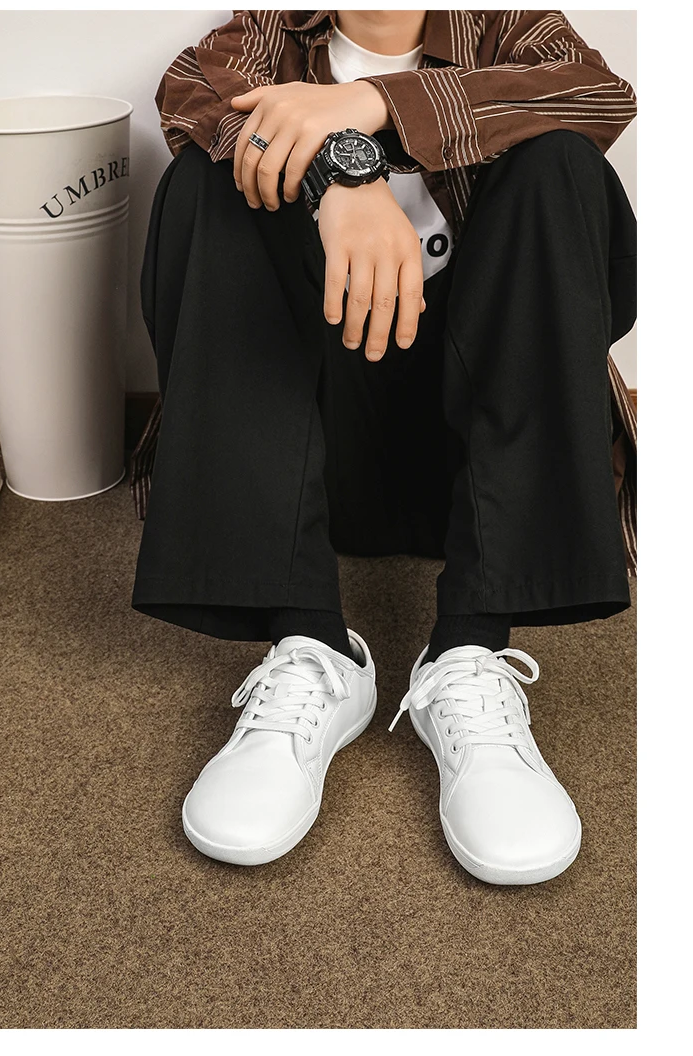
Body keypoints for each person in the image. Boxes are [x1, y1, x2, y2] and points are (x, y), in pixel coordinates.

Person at [129, 9, 638, 884]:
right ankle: (310, 648)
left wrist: (373, 104)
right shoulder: (269, 35)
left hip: (488, 461)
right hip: (310, 454)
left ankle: (471, 652)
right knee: (205, 177)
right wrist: (338, 175)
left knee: (563, 163)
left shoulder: (511, 28)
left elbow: (598, 94)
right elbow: (191, 95)